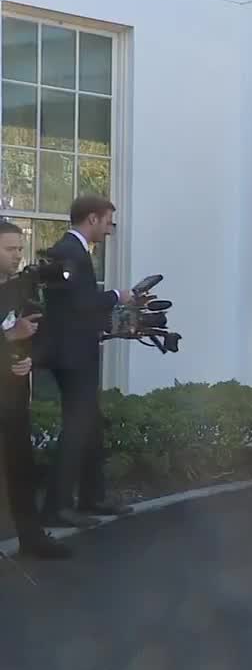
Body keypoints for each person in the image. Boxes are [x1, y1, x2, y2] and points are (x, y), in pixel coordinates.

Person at [37, 196, 134, 529]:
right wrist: (117, 297)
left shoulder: (70, 252)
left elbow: (70, 306)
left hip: (77, 351)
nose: (109, 230)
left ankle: (93, 496)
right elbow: (80, 305)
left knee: (90, 425)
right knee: (77, 429)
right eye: (108, 222)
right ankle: (57, 508)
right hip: (72, 356)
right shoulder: (68, 252)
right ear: (92, 219)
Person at [0, 221, 70, 558]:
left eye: (18, 249)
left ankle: (32, 538)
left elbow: (38, 333)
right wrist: (9, 338)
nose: (17, 256)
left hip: (12, 397)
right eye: (9, 249)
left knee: (21, 468)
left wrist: (30, 359)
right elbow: (13, 333)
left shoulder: (18, 289)